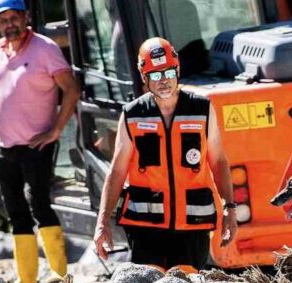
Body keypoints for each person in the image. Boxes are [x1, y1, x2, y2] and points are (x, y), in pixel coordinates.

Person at [93, 37, 238, 271]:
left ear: (178, 70)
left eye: (169, 73)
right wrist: (102, 223)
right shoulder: (133, 114)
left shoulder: (202, 109)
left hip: (192, 224)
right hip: (145, 227)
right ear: (144, 77)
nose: (164, 81)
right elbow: (117, 171)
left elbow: (219, 161)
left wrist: (230, 210)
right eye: (156, 75)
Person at [0, 0, 79, 283]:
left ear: (26, 17)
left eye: (14, 17)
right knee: (15, 211)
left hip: (37, 144)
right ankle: (25, 282)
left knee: (39, 205)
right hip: (4, 146)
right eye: (3, 19)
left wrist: (56, 129)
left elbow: (71, 89)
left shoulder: (45, 48)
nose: (9, 24)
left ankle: (60, 277)